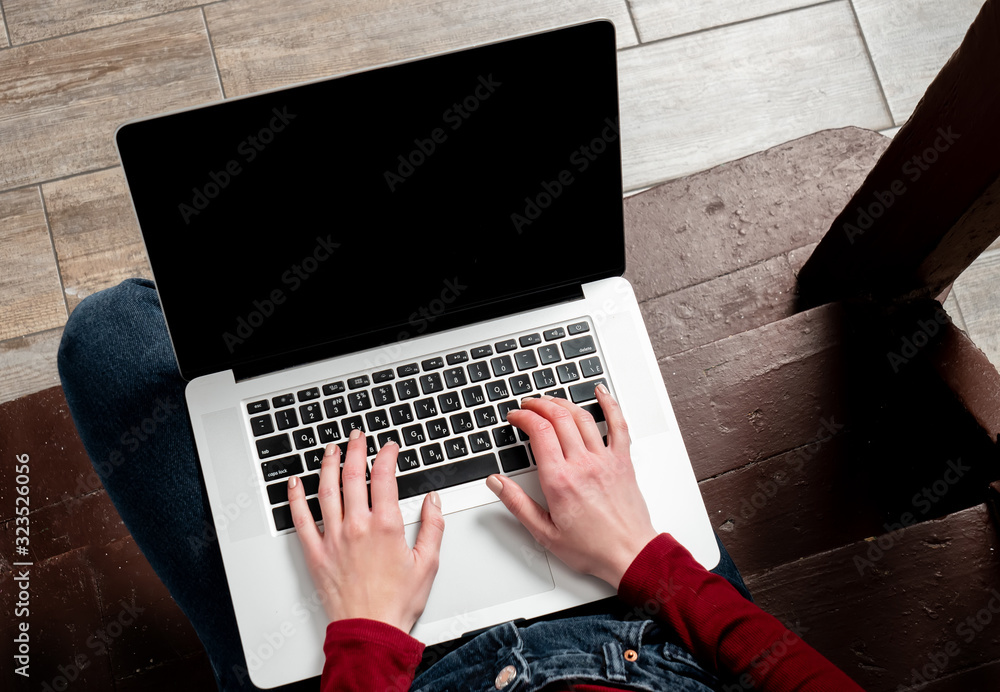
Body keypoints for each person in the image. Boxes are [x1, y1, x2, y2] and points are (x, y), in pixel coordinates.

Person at [58, 279, 866, 692]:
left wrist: (366, 635)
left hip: (383, 671)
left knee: (113, 337)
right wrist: (643, 558)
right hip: (647, 623)